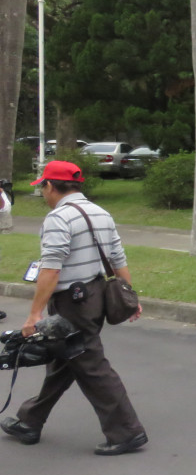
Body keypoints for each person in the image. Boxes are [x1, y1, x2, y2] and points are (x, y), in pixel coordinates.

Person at [0, 160, 147, 455]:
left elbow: (51, 269)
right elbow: (118, 258)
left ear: (51, 186)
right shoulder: (100, 213)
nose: (42, 192)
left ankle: (127, 432)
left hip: (72, 303)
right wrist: (131, 297)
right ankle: (30, 421)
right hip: (94, 297)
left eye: (42, 186)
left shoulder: (59, 218)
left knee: (92, 365)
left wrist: (34, 315)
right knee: (64, 360)